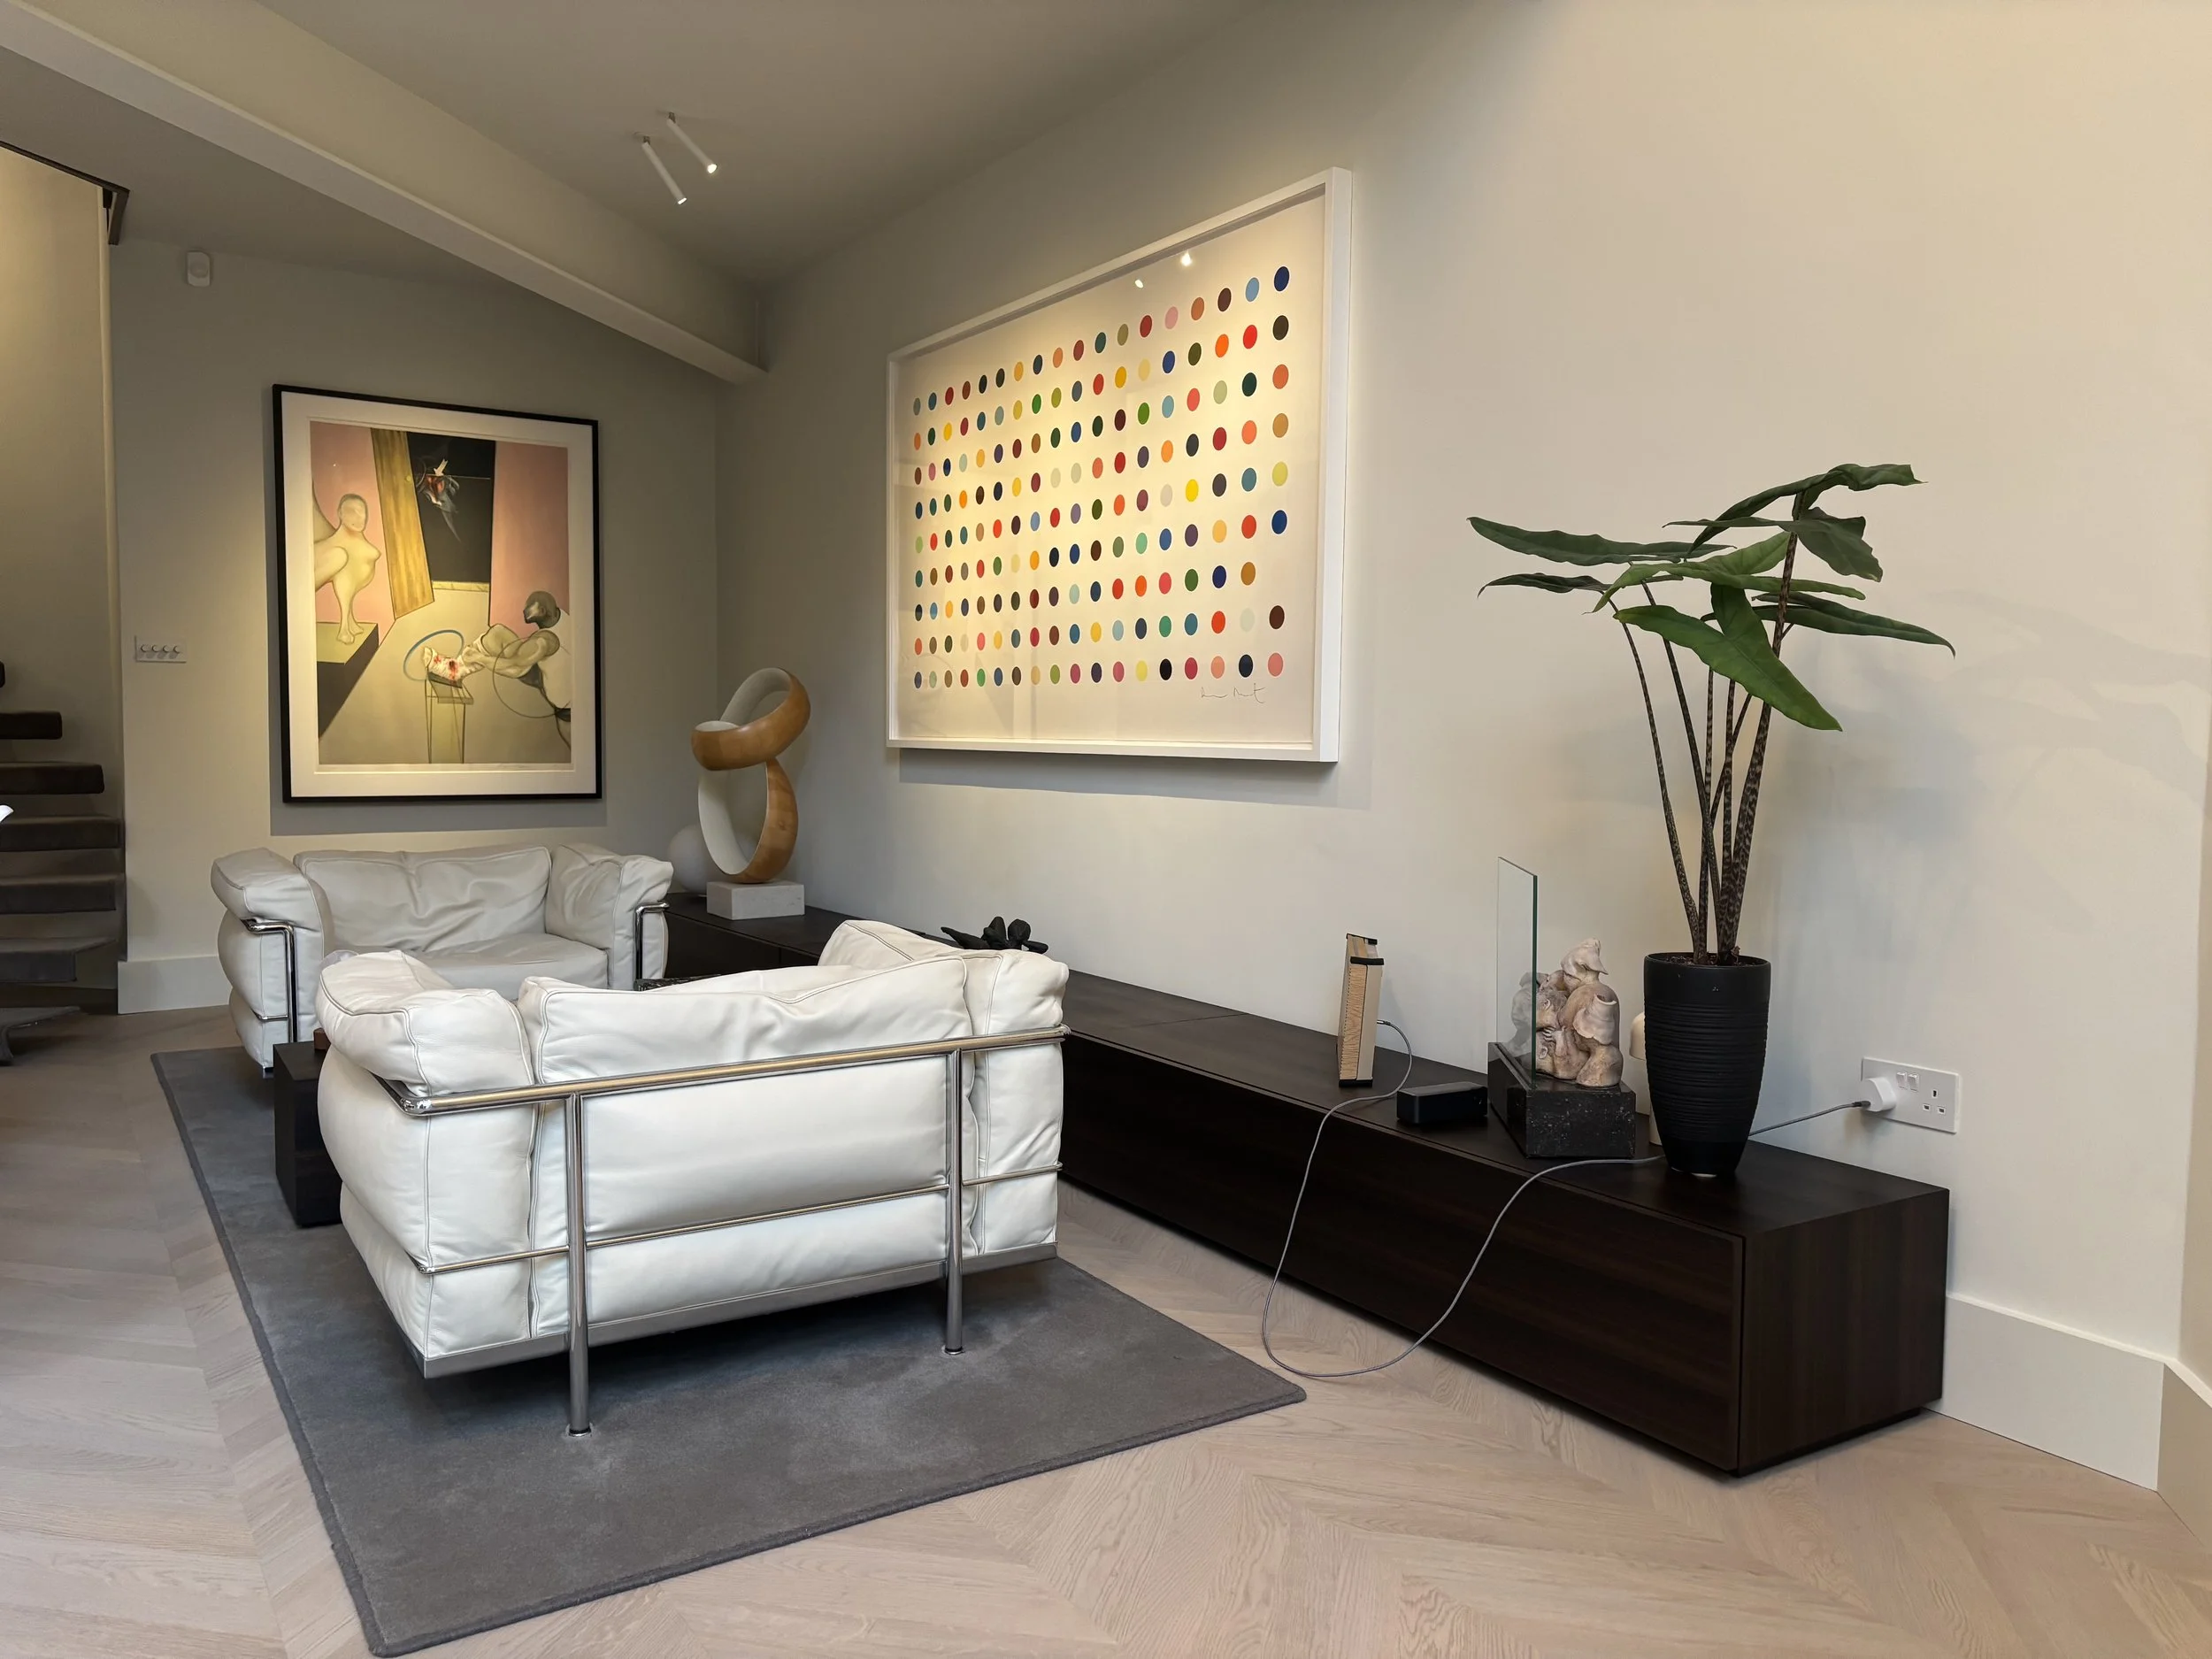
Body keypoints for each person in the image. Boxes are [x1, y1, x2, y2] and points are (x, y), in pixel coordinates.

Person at [457, 590, 572, 741]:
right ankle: (459, 666)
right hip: (553, 674)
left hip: (566, 709)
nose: (524, 610)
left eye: (529, 608)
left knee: (516, 666)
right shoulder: (562, 616)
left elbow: (514, 663)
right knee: (497, 633)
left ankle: (465, 664)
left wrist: (478, 658)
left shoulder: (543, 641)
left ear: (543, 611)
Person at [311, 494, 381, 647]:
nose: (358, 517)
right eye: (351, 511)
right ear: (340, 514)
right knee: (342, 561)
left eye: (362, 512)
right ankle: (344, 627)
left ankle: (349, 622)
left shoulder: (356, 546)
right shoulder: (338, 550)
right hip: (317, 568)